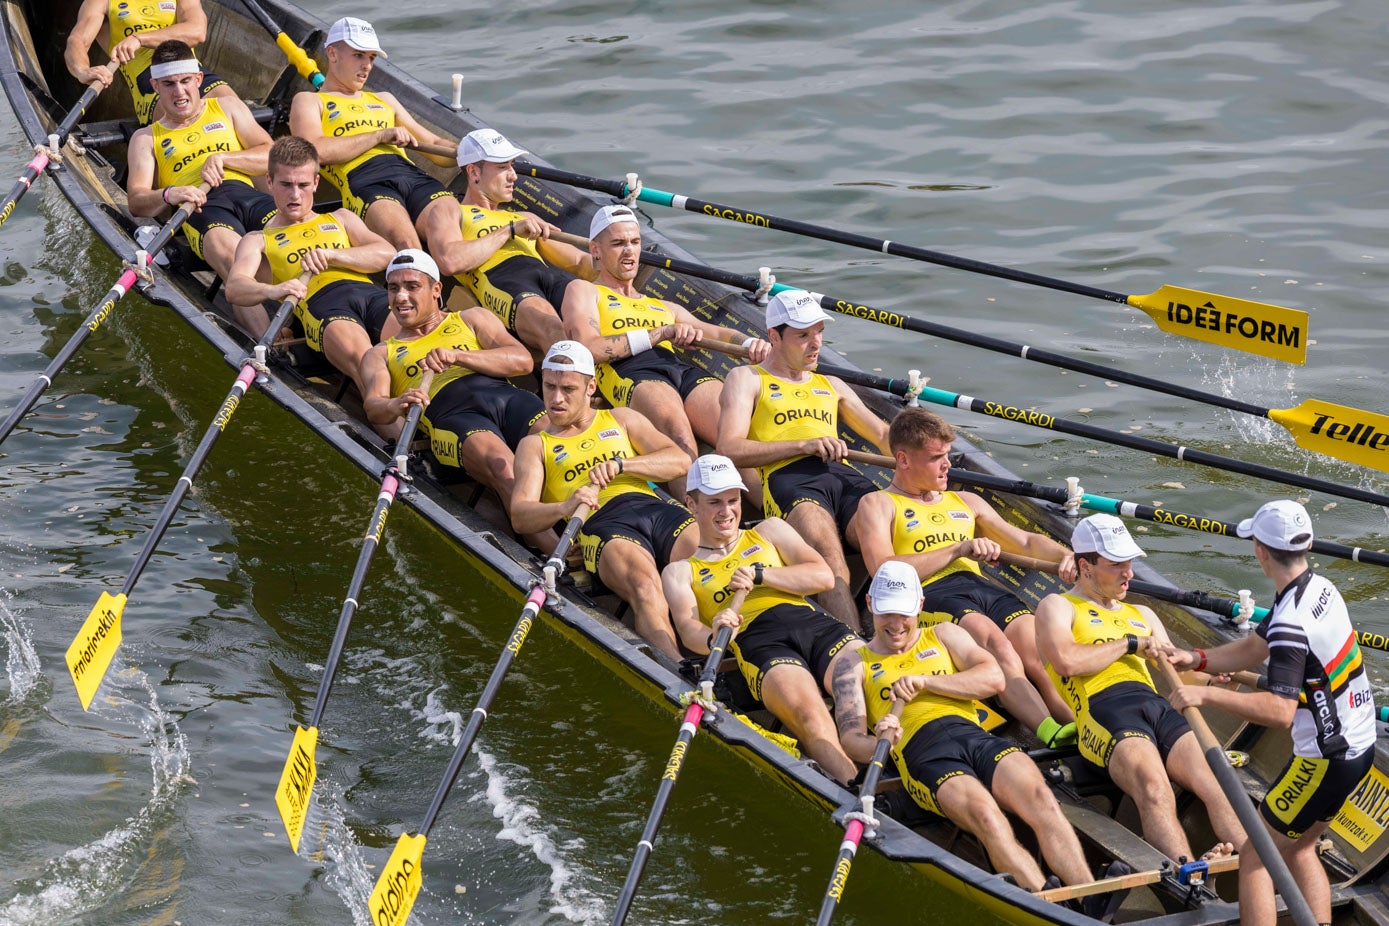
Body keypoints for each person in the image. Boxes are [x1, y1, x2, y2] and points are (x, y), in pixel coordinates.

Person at [831, 561, 1114, 902]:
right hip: (923, 754)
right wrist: (882, 741)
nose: (895, 624)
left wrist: (927, 682)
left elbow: (993, 677)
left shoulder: (945, 634)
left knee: (1043, 801)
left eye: (903, 613)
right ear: (870, 606)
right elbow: (850, 740)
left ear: (919, 606)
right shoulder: (853, 663)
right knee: (986, 815)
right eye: (886, 613)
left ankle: (1089, 897)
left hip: (975, 737)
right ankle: (1046, 902)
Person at [1164, 501, 1375, 926]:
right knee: (1298, 849)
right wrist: (1197, 658)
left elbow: (1279, 712)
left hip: (1324, 760)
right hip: (1360, 747)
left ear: (1260, 551)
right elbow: (1252, 649)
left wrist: (1205, 698)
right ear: (1307, 545)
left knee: (1255, 858)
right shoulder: (1319, 588)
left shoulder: (1291, 624)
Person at [854, 407, 1077, 745]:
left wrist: (1070, 557)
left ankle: (1081, 726)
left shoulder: (966, 501)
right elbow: (885, 570)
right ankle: (1048, 731)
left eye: (948, 456)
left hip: (980, 587)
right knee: (996, 642)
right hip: (930, 595)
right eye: (936, 458)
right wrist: (957, 549)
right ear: (903, 460)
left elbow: (1026, 541)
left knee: (1034, 644)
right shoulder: (878, 504)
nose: (947, 465)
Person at [1035, 514, 1246, 864]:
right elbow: (1067, 662)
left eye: (1130, 563)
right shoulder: (1057, 607)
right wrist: (1130, 643)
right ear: (1085, 566)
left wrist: (1218, 679)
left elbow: (1182, 675)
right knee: (1154, 788)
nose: (1128, 574)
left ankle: (1256, 864)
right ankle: (1190, 875)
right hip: (1104, 713)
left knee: (1218, 779)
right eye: (1117, 565)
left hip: (1156, 706)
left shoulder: (1143, 613)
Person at [664, 454, 864, 785]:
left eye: (733, 500)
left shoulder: (769, 530)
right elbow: (688, 631)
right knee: (809, 716)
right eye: (714, 502)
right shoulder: (680, 571)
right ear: (691, 504)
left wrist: (761, 575)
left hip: (815, 625)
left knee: (871, 685)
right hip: (761, 645)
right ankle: (857, 793)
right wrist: (715, 634)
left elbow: (823, 577)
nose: (727, 511)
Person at [510, 340, 695, 658]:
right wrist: (564, 507)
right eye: (549, 386)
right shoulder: (535, 446)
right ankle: (680, 675)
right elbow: (520, 515)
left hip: (657, 510)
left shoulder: (621, 419)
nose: (555, 399)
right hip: (602, 524)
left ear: (590, 386)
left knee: (713, 565)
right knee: (644, 585)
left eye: (567, 389)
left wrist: (624, 465)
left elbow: (681, 461)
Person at [359, 248, 553, 549]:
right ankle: (556, 556)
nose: (400, 297)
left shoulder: (472, 318)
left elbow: (522, 361)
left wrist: (458, 356)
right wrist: (396, 404)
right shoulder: (381, 353)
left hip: (510, 401)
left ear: (436, 290)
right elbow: (373, 407)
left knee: (562, 447)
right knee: (504, 467)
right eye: (393, 288)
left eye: (412, 287)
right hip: (456, 419)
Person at [716, 288, 888, 624]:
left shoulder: (832, 384)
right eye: (803, 335)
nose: (816, 344)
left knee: (891, 541)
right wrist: (802, 445)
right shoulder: (748, 378)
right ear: (774, 337)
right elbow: (729, 448)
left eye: (820, 333)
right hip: (790, 480)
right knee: (829, 557)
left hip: (844, 475)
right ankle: (853, 649)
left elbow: (883, 436)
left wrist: (928, 455)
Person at [561, 204, 771, 479]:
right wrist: (659, 334)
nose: (629, 250)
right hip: (631, 372)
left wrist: (752, 345)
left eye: (635, 242)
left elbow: (716, 333)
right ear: (595, 250)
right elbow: (589, 349)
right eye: (618, 243)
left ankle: (773, 513)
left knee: (736, 436)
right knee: (681, 440)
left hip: (679, 369)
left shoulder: (662, 306)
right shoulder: (584, 290)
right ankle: (697, 516)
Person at [225, 136, 395, 400]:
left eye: (303, 185)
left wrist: (332, 255)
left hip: (372, 297)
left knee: (416, 351)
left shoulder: (340, 218)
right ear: (269, 182)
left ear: (316, 183)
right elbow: (235, 288)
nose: (295, 195)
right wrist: (275, 290)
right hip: (325, 308)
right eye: (286, 184)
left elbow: (386, 253)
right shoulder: (257, 240)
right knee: (366, 367)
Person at [125, 40, 275, 333]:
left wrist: (225, 158)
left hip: (249, 195)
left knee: (303, 247)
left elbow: (270, 152)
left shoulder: (228, 107)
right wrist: (170, 193)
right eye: (168, 84)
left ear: (198, 79)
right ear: (155, 86)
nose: (179, 92)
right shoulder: (145, 138)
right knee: (236, 264)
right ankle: (271, 350)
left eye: (184, 82)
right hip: (201, 209)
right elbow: (137, 200)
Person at [287, 17, 465, 260]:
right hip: (366, 181)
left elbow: (434, 146)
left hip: (413, 176)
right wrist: (381, 134)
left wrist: (468, 150)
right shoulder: (309, 101)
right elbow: (315, 151)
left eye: (371, 58)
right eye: (359, 55)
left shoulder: (384, 99)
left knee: (450, 248)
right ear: (332, 53)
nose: (367, 66)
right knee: (408, 248)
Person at [447, 129, 593, 352]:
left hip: (547, 278)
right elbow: (452, 261)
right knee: (552, 327)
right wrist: (509, 231)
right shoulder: (453, 212)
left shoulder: (524, 217)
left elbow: (579, 262)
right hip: (504, 280)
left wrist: (615, 256)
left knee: (591, 320)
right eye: (502, 167)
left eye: (512, 166)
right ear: (474, 171)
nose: (513, 175)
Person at [65, 0, 235, 125]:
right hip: (151, 83)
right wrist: (82, 70)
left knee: (236, 110)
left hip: (191, 71)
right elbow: (77, 41)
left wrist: (139, 39)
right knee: (187, 126)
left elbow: (197, 31)